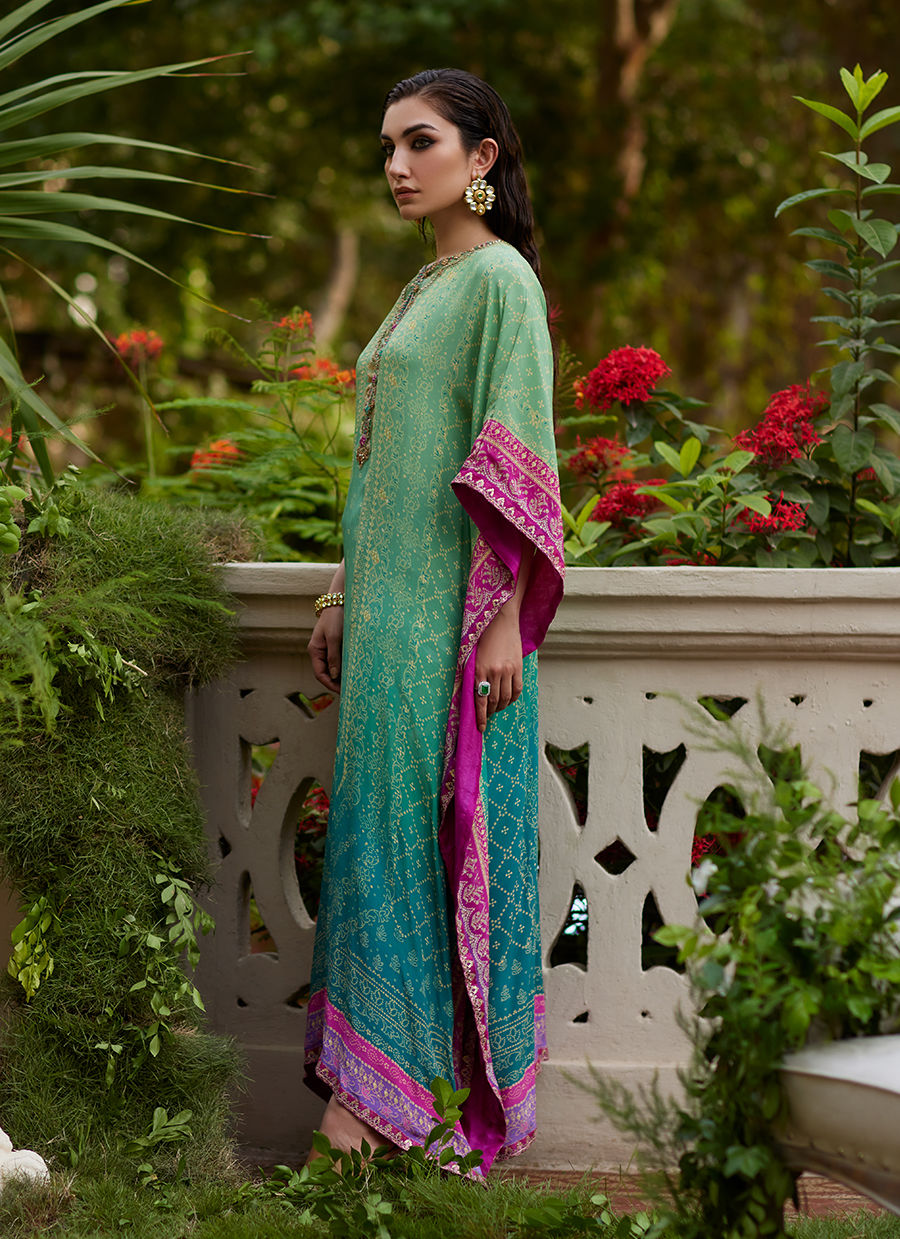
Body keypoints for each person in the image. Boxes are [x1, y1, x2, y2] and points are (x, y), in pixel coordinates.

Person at [304, 67, 564, 1175]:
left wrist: (504, 620)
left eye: (420, 143)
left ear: (481, 158)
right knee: (375, 848)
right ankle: (377, 1107)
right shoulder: (423, 284)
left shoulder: (501, 281)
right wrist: (339, 592)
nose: (398, 166)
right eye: (387, 149)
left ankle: (364, 1129)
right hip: (384, 625)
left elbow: (517, 450)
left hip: (451, 631)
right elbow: (382, 473)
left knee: (418, 848)